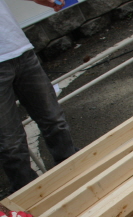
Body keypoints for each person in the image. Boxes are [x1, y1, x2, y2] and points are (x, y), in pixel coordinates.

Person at [0, 0, 78, 192]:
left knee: (54, 119)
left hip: (19, 50)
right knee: (10, 144)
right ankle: (30, 194)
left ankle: (75, 172)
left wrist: (48, 1)